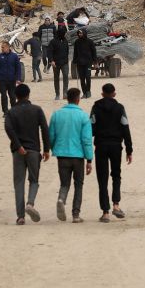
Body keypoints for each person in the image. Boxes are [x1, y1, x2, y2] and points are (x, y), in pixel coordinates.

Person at [4, 83, 51, 225]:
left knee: (19, 183)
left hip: (18, 152)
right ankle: (30, 203)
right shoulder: (36, 110)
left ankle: (20, 216)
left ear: (16, 97)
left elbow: (8, 129)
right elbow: (44, 129)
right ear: (28, 95)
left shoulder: (11, 112)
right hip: (34, 150)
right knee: (34, 180)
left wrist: (18, 146)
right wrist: (47, 149)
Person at [90, 83, 133, 222]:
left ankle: (105, 212)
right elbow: (125, 128)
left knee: (102, 179)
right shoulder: (120, 108)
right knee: (116, 175)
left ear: (102, 94)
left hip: (101, 146)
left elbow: (91, 128)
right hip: (116, 146)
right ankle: (116, 205)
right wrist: (129, 149)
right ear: (114, 94)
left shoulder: (96, 108)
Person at [50, 88, 94, 223]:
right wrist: (89, 159)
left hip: (62, 155)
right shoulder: (83, 116)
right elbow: (86, 140)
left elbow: (51, 136)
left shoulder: (57, 115)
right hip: (78, 156)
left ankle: (61, 199)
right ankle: (76, 214)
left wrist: (54, 148)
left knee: (64, 183)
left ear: (66, 98)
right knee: (78, 184)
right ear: (78, 99)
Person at [0, 40, 25, 114]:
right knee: (3, 96)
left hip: (12, 80)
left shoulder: (14, 56)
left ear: (8, 47)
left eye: (3, 47)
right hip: (2, 80)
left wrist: (18, 78)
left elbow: (18, 68)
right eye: (1, 47)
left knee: (12, 96)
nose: (2, 49)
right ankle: (5, 112)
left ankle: (13, 110)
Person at [71, 28, 97, 99]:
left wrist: (95, 61)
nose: (80, 34)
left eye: (81, 33)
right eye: (79, 33)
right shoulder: (77, 42)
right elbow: (75, 52)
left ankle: (88, 91)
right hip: (80, 62)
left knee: (88, 77)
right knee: (82, 79)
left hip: (88, 62)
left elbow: (94, 52)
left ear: (84, 33)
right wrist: (74, 60)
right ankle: (84, 93)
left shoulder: (90, 41)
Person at [48, 32, 70, 101]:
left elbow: (67, 51)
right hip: (56, 63)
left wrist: (67, 59)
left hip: (65, 63)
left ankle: (65, 93)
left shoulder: (65, 41)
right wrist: (51, 61)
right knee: (56, 78)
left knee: (66, 76)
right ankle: (57, 94)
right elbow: (49, 52)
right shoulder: (53, 41)